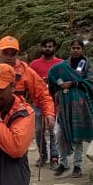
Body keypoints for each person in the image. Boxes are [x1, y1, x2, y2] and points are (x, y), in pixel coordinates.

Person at [50, 39, 93, 178]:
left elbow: (90, 81)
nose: (75, 50)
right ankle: (63, 163)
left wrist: (74, 82)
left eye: (78, 48)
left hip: (80, 103)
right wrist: (60, 84)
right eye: (73, 47)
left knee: (78, 134)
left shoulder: (86, 64)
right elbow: (54, 78)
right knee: (59, 132)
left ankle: (77, 165)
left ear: (82, 49)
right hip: (63, 103)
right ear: (70, 48)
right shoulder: (63, 65)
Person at [0, 35, 55, 141]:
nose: (9, 57)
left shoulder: (25, 71)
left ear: (17, 54)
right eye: (5, 53)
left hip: (17, 118)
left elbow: (43, 93)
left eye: (13, 54)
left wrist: (49, 113)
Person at [29, 38, 60, 167]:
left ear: (54, 48)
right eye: (45, 46)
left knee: (53, 130)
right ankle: (42, 154)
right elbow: (30, 82)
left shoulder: (60, 63)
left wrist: (52, 81)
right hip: (38, 102)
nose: (48, 49)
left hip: (55, 102)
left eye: (50, 46)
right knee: (38, 130)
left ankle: (54, 156)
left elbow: (63, 80)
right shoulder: (34, 64)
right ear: (41, 48)